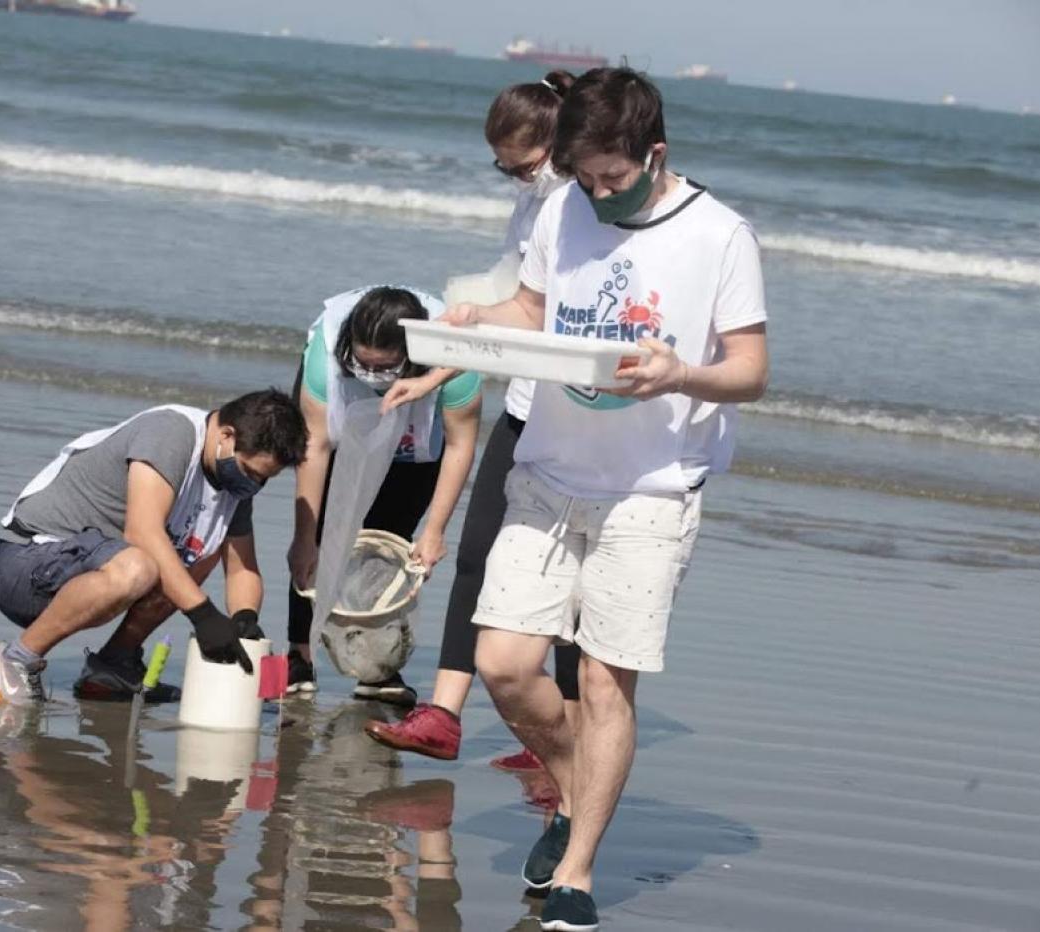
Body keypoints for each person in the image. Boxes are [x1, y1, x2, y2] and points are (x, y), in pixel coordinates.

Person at [447, 67, 770, 931]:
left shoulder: (720, 235)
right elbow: (530, 306)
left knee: (602, 681)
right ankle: (572, 786)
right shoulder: (563, 209)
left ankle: (578, 875)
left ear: (653, 153)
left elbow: (751, 370)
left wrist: (680, 371)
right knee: (504, 666)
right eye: (584, 179)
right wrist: (476, 325)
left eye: (612, 181)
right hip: (549, 472)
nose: (596, 195)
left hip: (650, 491)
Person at [364, 72, 584, 764]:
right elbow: (509, 307)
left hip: (582, 420)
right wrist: (436, 369)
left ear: (559, 144)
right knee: (474, 555)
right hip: (525, 407)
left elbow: (551, 317)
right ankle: (444, 716)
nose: (517, 177)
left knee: (575, 587)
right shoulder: (534, 209)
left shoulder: (586, 206)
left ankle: (564, 730)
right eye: (504, 167)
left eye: (524, 165)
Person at [0, 389, 307, 705]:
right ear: (226, 436)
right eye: (249, 471)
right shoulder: (171, 432)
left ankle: (113, 666)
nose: (252, 483)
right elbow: (142, 532)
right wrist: (203, 615)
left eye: (263, 479)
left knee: (199, 552)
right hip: (24, 563)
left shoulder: (234, 489)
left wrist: (244, 622)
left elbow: (242, 568)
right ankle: (16, 660)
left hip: (98, 573)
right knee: (142, 564)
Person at [285, 285, 482, 705]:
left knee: (387, 538)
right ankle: (300, 655)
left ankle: (376, 669)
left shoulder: (455, 362)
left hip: (417, 445)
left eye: (385, 367)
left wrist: (435, 531)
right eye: (363, 364)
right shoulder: (325, 362)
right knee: (320, 538)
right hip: (336, 436)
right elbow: (315, 447)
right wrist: (303, 538)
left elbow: (461, 445)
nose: (372, 375)